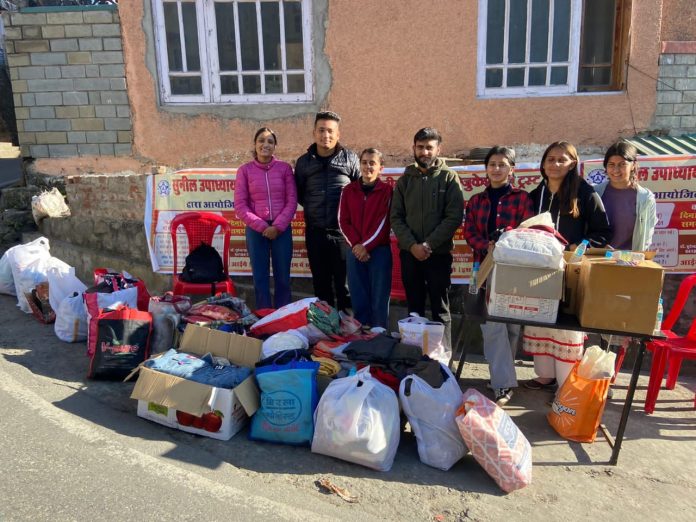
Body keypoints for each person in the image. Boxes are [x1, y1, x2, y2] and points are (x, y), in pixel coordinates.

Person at [523, 141, 611, 390]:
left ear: (573, 163)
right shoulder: (536, 194)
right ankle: (545, 376)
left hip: (569, 271)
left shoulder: (585, 192)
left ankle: (566, 386)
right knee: (540, 319)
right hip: (539, 269)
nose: (555, 164)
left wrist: (576, 246)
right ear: (543, 163)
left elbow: (603, 232)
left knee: (565, 327)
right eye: (550, 159)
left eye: (562, 160)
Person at [463, 146, 534, 405]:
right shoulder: (476, 200)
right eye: (492, 164)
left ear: (511, 169)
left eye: (502, 164)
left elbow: (528, 231)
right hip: (482, 267)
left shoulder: (522, 199)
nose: (496, 169)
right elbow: (469, 231)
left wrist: (504, 244)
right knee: (492, 324)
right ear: (486, 169)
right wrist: (487, 247)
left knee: (512, 325)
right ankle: (502, 384)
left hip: (512, 268)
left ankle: (504, 375)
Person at [390, 127, 464, 351]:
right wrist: (412, 246)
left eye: (429, 147)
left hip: (438, 255)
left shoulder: (449, 178)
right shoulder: (405, 181)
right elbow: (396, 217)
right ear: (414, 148)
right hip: (410, 255)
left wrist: (428, 245)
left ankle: (445, 357)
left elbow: (453, 217)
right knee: (414, 307)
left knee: (440, 308)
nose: (425, 152)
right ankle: (415, 354)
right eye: (420, 147)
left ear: (438, 150)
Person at [295, 111, 360, 312]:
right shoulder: (304, 162)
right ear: (314, 133)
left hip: (343, 234)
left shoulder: (350, 158)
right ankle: (325, 329)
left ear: (338, 134)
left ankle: (348, 331)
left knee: (345, 286)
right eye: (321, 130)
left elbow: (359, 193)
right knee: (321, 285)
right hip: (315, 232)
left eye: (330, 131)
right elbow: (299, 194)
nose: (326, 135)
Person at [234, 127, 297, 309]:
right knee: (260, 277)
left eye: (270, 141)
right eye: (261, 140)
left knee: (283, 276)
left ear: (275, 146)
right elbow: (240, 205)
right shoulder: (244, 171)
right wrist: (263, 226)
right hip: (256, 230)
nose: (265, 145)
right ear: (255, 144)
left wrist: (277, 226)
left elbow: (291, 200)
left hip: (281, 229)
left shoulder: (284, 169)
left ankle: (283, 314)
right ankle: (264, 318)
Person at [338, 148, 393, 329]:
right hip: (354, 251)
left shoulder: (387, 191)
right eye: (364, 162)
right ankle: (361, 332)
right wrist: (356, 245)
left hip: (379, 251)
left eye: (372, 163)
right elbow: (343, 220)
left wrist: (366, 246)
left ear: (380, 168)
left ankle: (379, 333)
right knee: (358, 293)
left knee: (379, 295)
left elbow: (384, 222)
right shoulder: (348, 190)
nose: (367, 166)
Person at [594, 141, 657, 252]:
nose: (616, 170)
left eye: (622, 164)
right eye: (611, 164)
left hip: (629, 262)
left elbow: (646, 238)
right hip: (596, 259)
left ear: (633, 165)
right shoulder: (595, 193)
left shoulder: (645, 198)